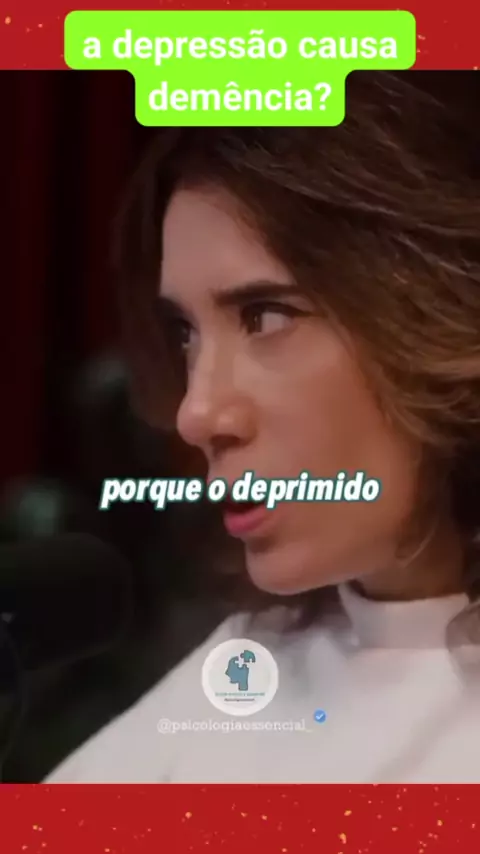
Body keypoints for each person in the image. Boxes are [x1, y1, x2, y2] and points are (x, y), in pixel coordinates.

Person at [46, 71, 480, 783]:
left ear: (445, 311)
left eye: (266, 316)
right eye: (185, 334)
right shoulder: (233, 684)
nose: (197, 414)